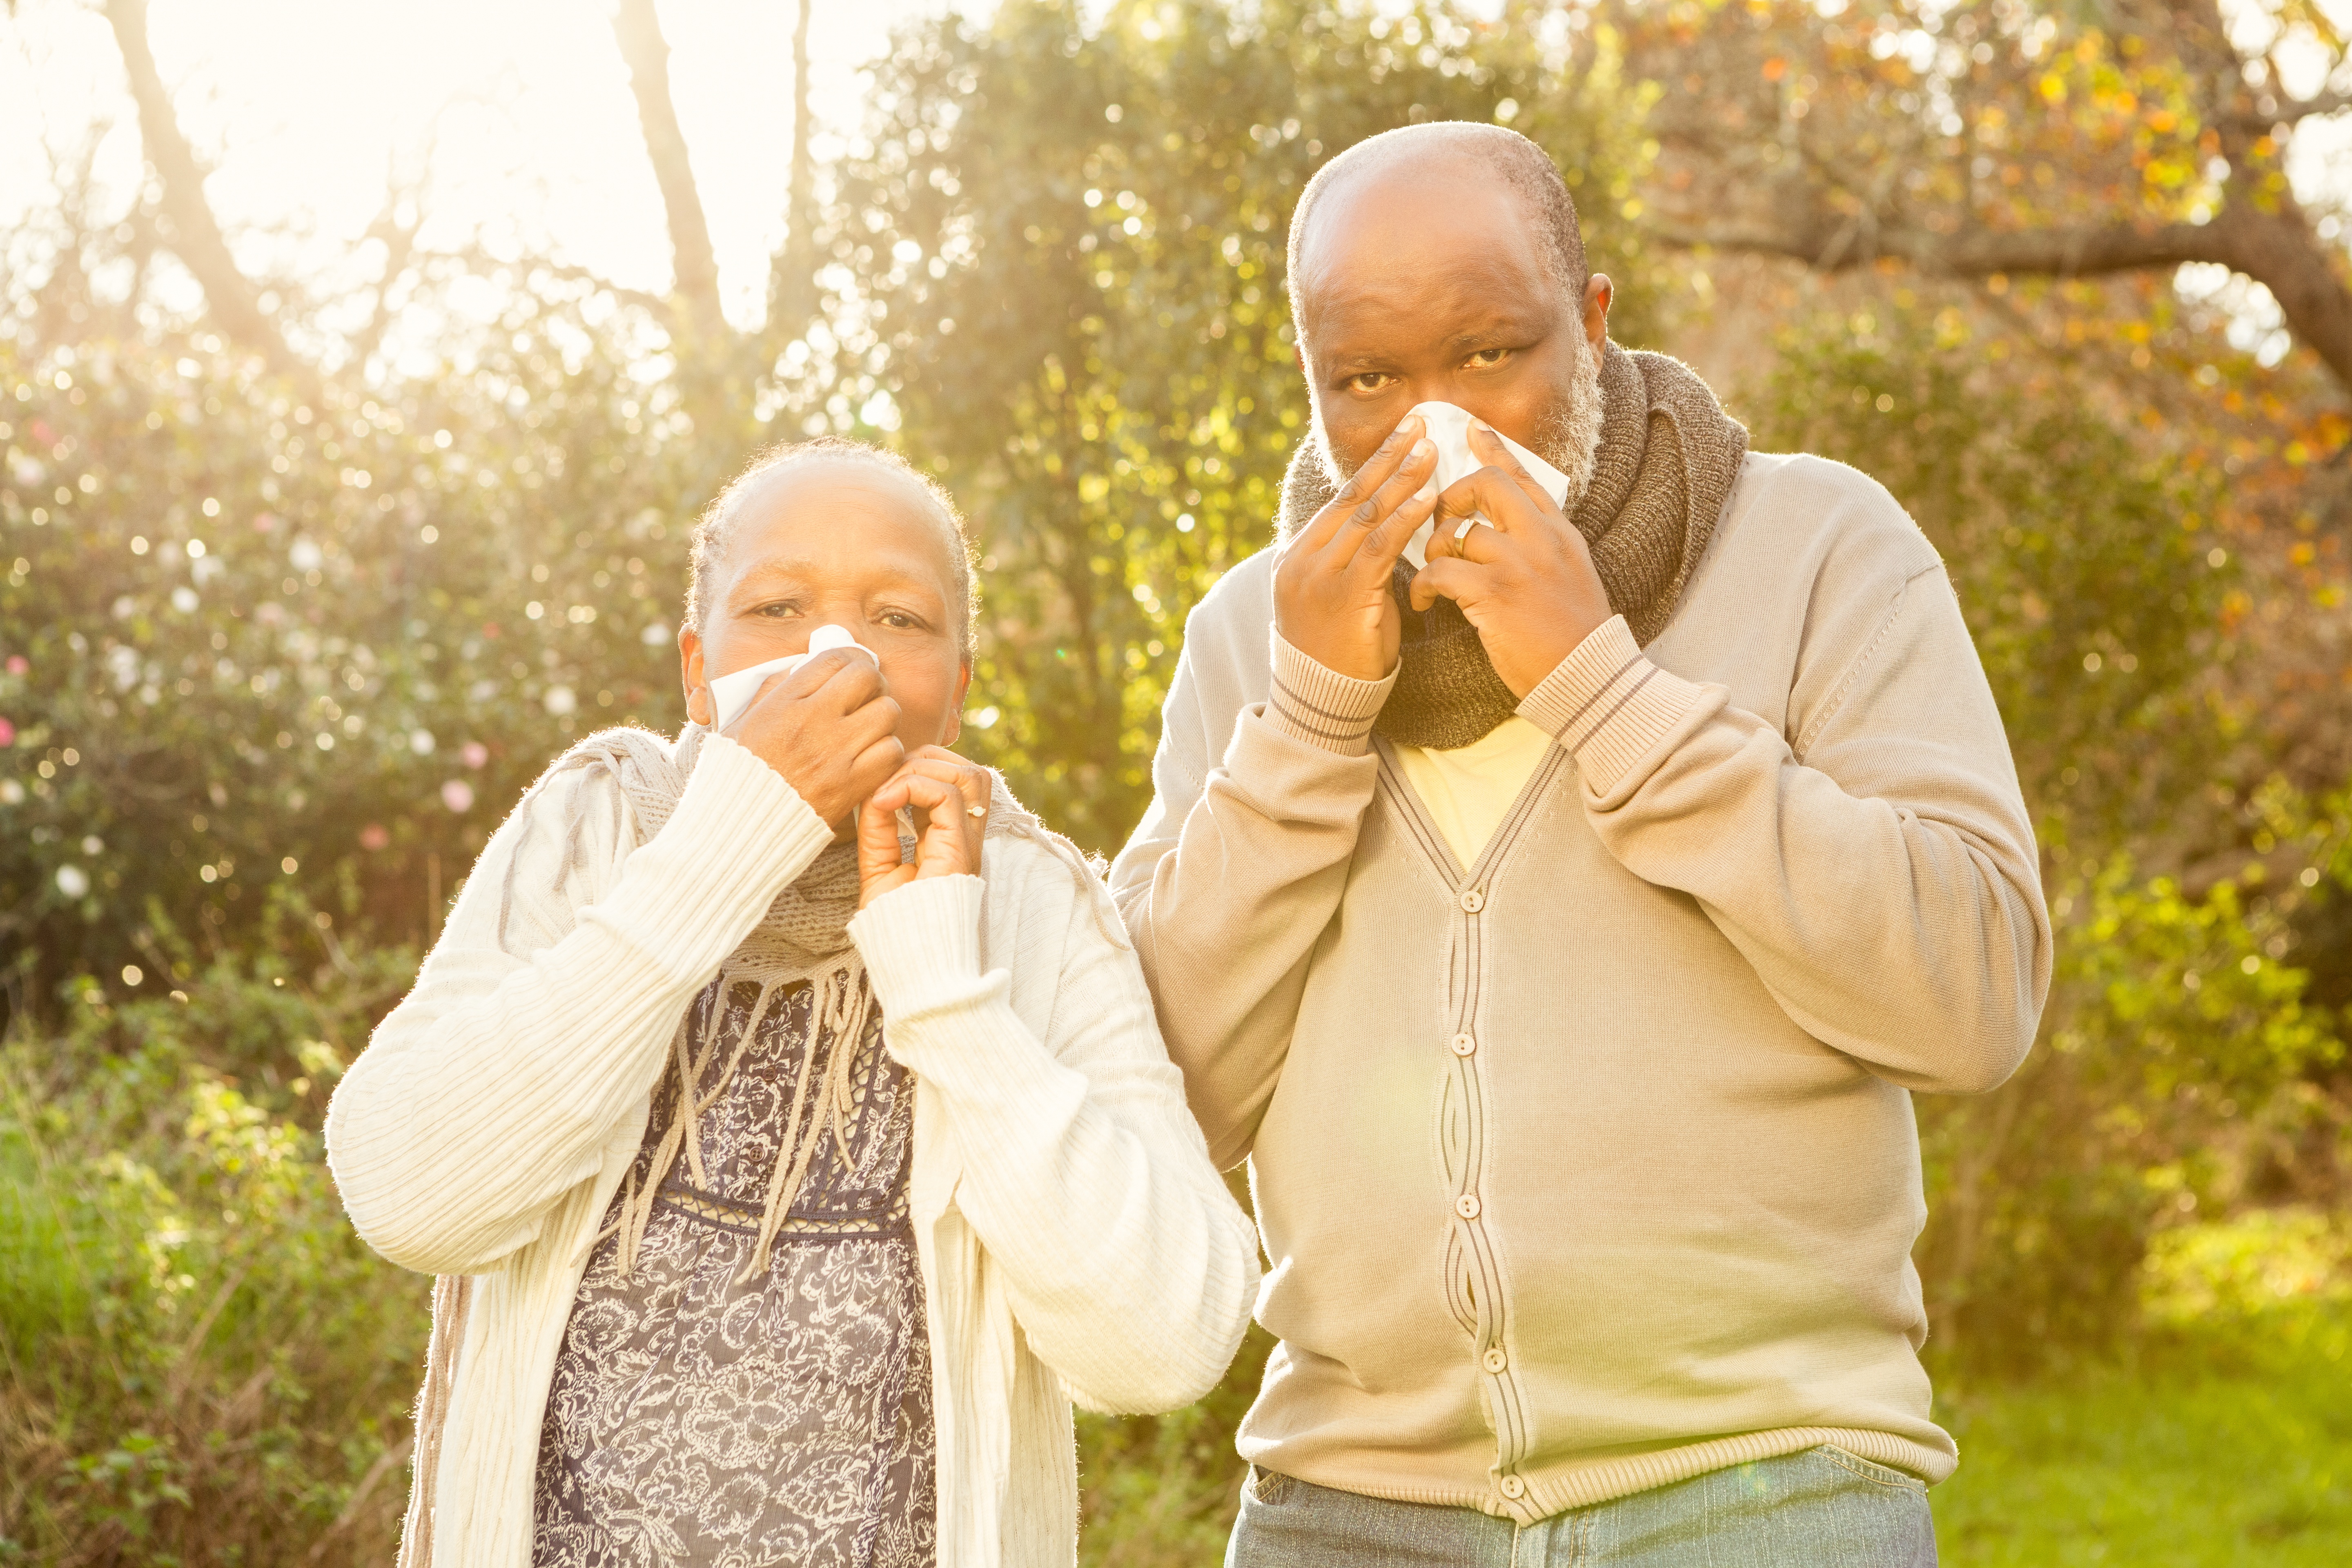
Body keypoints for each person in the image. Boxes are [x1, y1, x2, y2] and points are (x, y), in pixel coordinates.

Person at [1109, 122, 2050, 1566]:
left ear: (1596, 323)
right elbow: (1159, 1107)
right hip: (1342, 1509)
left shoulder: (1816, 546)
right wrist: (1306, 720)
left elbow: (1975, 996)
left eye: (1491, 353)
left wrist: (1600, 685)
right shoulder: (1252, 637)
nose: (1434, 430)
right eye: (1367, 379)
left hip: (1767, 1490)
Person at [328, 437, 1260, 1568]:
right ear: (694, 667)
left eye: (899, 620)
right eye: (774, 607)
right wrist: (727, 842)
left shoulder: (1030, 901)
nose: (832, 653)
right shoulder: (598, 827)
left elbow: (1161, 1346)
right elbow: (412, 1195)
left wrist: (940, 974)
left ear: (958, 688)